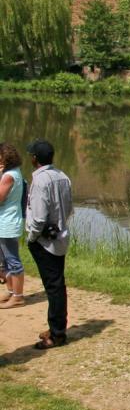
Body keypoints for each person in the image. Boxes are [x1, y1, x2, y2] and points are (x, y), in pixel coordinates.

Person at [25, 139, 73, 349]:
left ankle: (57, 334)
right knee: (56, 285)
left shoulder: (40, 181)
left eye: (31, 155)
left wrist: (32, 237)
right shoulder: (63, 176)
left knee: (53, 287)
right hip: (60, 237)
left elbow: (38, 217)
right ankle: (56, 326)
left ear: (35, 159)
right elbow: (69, 208)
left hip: (45, 241)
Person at [0, 143, 26, 308]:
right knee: (5, 261)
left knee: (12, 260)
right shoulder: (11, 173)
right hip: (5, 222)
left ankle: (18, 296)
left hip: (7, 224)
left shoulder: (9, 176)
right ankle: (11, 291)